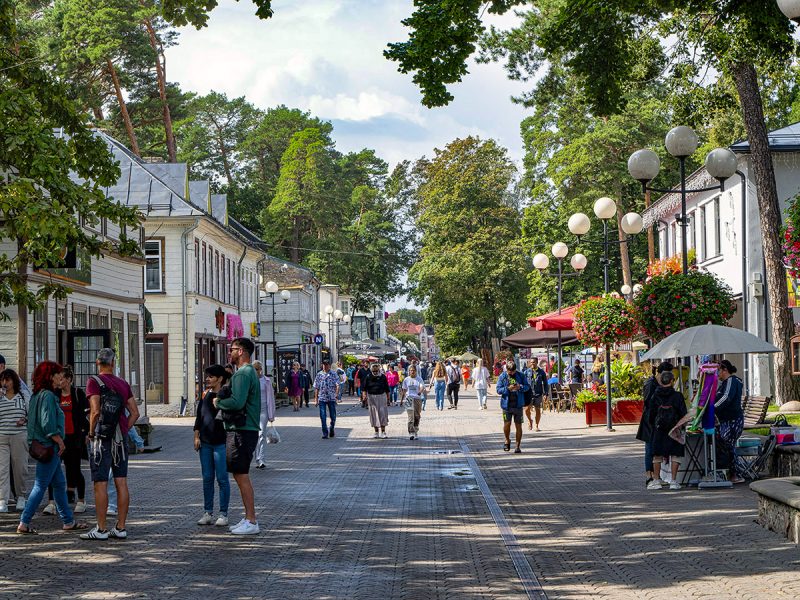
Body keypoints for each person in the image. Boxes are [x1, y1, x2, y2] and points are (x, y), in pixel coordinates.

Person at [17, 361, 87, 534]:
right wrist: (60, 441)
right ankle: (24, 522)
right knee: (40, 485)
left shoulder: (36, 395)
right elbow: (47, 424)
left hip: (42, 445)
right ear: (49, 376)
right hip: (50, 446)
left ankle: (68, 521)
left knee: (59, 484)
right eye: (56, 374)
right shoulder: (48, 396)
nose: (59, 377)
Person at [80, 348, 139, 540]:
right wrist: (123, 429)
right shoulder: (123, 383)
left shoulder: (93, 382)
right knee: (121, 481)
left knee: (100, 483)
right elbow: (135, 413)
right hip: (120, 440)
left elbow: (95, 411)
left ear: (98, 363)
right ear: (113, 363)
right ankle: (120, 527)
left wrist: (90, 433)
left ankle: (101, 529)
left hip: (101, 440)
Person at [214, 337, 262, 535]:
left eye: (232, 349)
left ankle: (251, 520)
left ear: (241, 351)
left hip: (242, 430)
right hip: (244, 429)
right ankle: (248, 517)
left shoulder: (243, 373)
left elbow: (237, 401)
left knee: (241, 475)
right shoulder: (248, 372)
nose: (230, 352)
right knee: (238, 473)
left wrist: (218, 402)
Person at [193, 365, 231, 527]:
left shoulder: (226, 395)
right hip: (206, 443)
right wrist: (196, 436)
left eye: (211, 376)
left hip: (221, 442)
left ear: (220, 379)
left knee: (222, 478)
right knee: (207, 478)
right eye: (207, 376)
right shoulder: (206, 395)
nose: (207, 379)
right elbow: (199, 417)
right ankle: (208, 512)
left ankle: (223, 514)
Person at [55, 366, 89, 513]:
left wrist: (87, 433)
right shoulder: (55, 395)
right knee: (55, 468)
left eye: (61, 378)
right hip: (59, 438)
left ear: (68, 380)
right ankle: (55, 500)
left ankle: (81, 500)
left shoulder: (77, 393)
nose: (59, 381)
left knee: (75, 468)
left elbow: (86, 414)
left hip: (74, 437)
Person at [647, 370, 687, 490]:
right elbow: (683, 414)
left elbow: (650, 414)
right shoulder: (678, 396)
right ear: (672, 381)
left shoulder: (655, 395)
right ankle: (674, 481)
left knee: (657, 456)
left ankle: (656, 480)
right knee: (676, 455)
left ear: (661, 381)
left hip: (659, 430)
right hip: (674, 430)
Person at [636, 361, 673, 487]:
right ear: (661, 373)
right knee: (650, 448)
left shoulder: (659, 384)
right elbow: (648, 403)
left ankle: (655, 475)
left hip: (658, 420)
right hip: (649, 421)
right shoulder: (651, 384)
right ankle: (649, 475)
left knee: (656, 448)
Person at [0, 369, 29, 513]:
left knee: (20, 468)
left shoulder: (22, 396)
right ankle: (2, 500)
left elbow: (31, 414)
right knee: (2, 469)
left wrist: (25, 419)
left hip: (19, 435)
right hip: (2, 437)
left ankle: (21, 497)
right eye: (3, 380)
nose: (5, 383)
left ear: (14, 381)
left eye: (8, 380)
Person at [715, 359, 745, 483]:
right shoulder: (726, 383)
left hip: (732, 420)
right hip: (727, 419)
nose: (717, 374)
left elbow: (726, 397)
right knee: (727, 445)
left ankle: (734, 474)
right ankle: (730, 473)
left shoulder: (731, 381)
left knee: (729, 445)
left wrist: (712, 408)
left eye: (719, 371)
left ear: (725, 370)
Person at [496, 360, 530, 454]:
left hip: (518, 405)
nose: (511, 373)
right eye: (510, 371)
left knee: (518, 425)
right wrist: (507, 388)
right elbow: (498, 390)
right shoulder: (502, 376)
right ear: (506, 369)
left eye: (513, 371)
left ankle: (517, 446)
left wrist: (520, 387)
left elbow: (527, 386)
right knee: (507, 424)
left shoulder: (520, 375)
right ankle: (507, 440)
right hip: (506, 405)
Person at [252, 361, 276, 470]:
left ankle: (260, 459)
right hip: (253, 410)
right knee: (254, 435)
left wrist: (271, 415)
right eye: (255, 369)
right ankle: (255, 457)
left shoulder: (266, 381)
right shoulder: (250, 381)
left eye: (259, 368)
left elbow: (271, 398)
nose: (257, 371)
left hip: (264, 410)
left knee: (261, 433)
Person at [362, 362, 390, 438]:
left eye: (376, 371)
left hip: (381, 396)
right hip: (371, 397)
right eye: (373, 371)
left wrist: (388, 398)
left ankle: (383, 432)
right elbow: (364, 388)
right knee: (374, 414)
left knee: (382, 414)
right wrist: (364, 395)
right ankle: (376, 432)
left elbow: (387, 388)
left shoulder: (383, 377)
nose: (375, 372)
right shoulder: (368, 376)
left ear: (378, 370)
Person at [313, 359, 340, 439]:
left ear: (329, 365)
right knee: (323, 415)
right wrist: (315, 400)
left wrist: (336, 395)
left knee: (333, 415)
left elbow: (337, 385)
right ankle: (325, 433)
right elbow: (316, 387)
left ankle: (332, 428)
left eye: (327, 364)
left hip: (331, 398)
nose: (325, 366)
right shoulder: (319, 374)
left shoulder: (334, 374)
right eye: (324, 364)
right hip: (322, 398)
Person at [401, 364, 426, 440]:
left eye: (413, 370)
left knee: (417, 416)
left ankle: (415, 431)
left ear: (416, 371)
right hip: (409, 399)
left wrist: (420, 391)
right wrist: (402, 400)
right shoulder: (406, 379)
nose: (412, 372)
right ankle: (411, 432)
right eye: (411, 370)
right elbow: (404, 390)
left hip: (417, 399)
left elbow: (422, 387)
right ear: (409, 371)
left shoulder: (419, 379)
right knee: (410, 417)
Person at [524, 358, 548, 432]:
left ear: (537, 362)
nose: (532, 364)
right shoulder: (526, 372)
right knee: (527, 409)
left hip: (538, 394)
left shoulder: (541, 372)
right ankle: (530, 420)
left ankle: (537, 425)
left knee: (538, 410)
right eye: (531, 362)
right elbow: (523, 382)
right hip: (529, 394)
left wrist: (545, 394)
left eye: (534, 362)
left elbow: (545, 384)